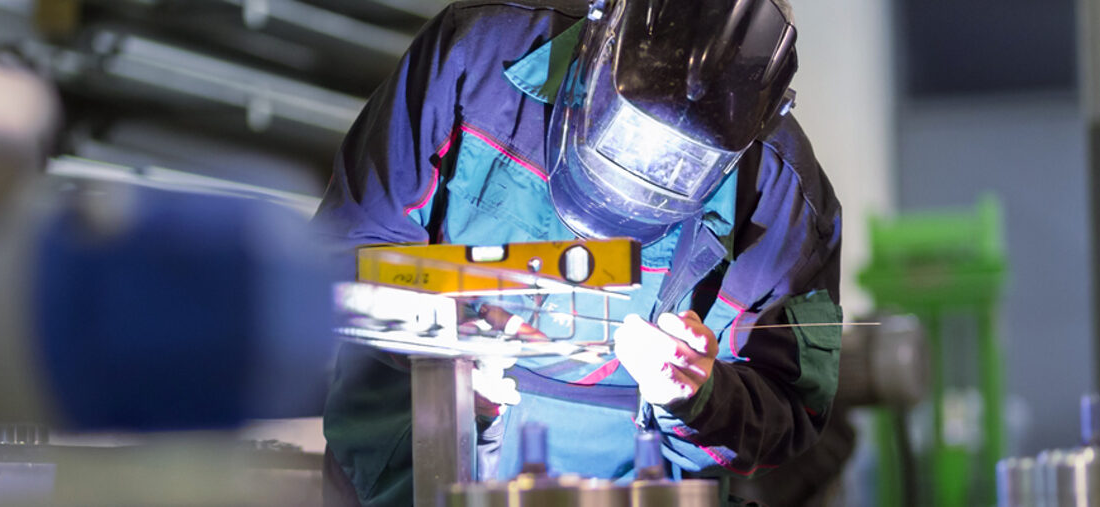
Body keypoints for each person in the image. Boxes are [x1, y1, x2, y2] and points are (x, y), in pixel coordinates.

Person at [314, 0, 843, 505]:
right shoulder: (476, 59)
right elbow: (341, 261)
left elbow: (790, 411)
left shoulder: (786, 203)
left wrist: (698, 394)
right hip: (400, 475)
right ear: (604, 35)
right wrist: (441, 339)